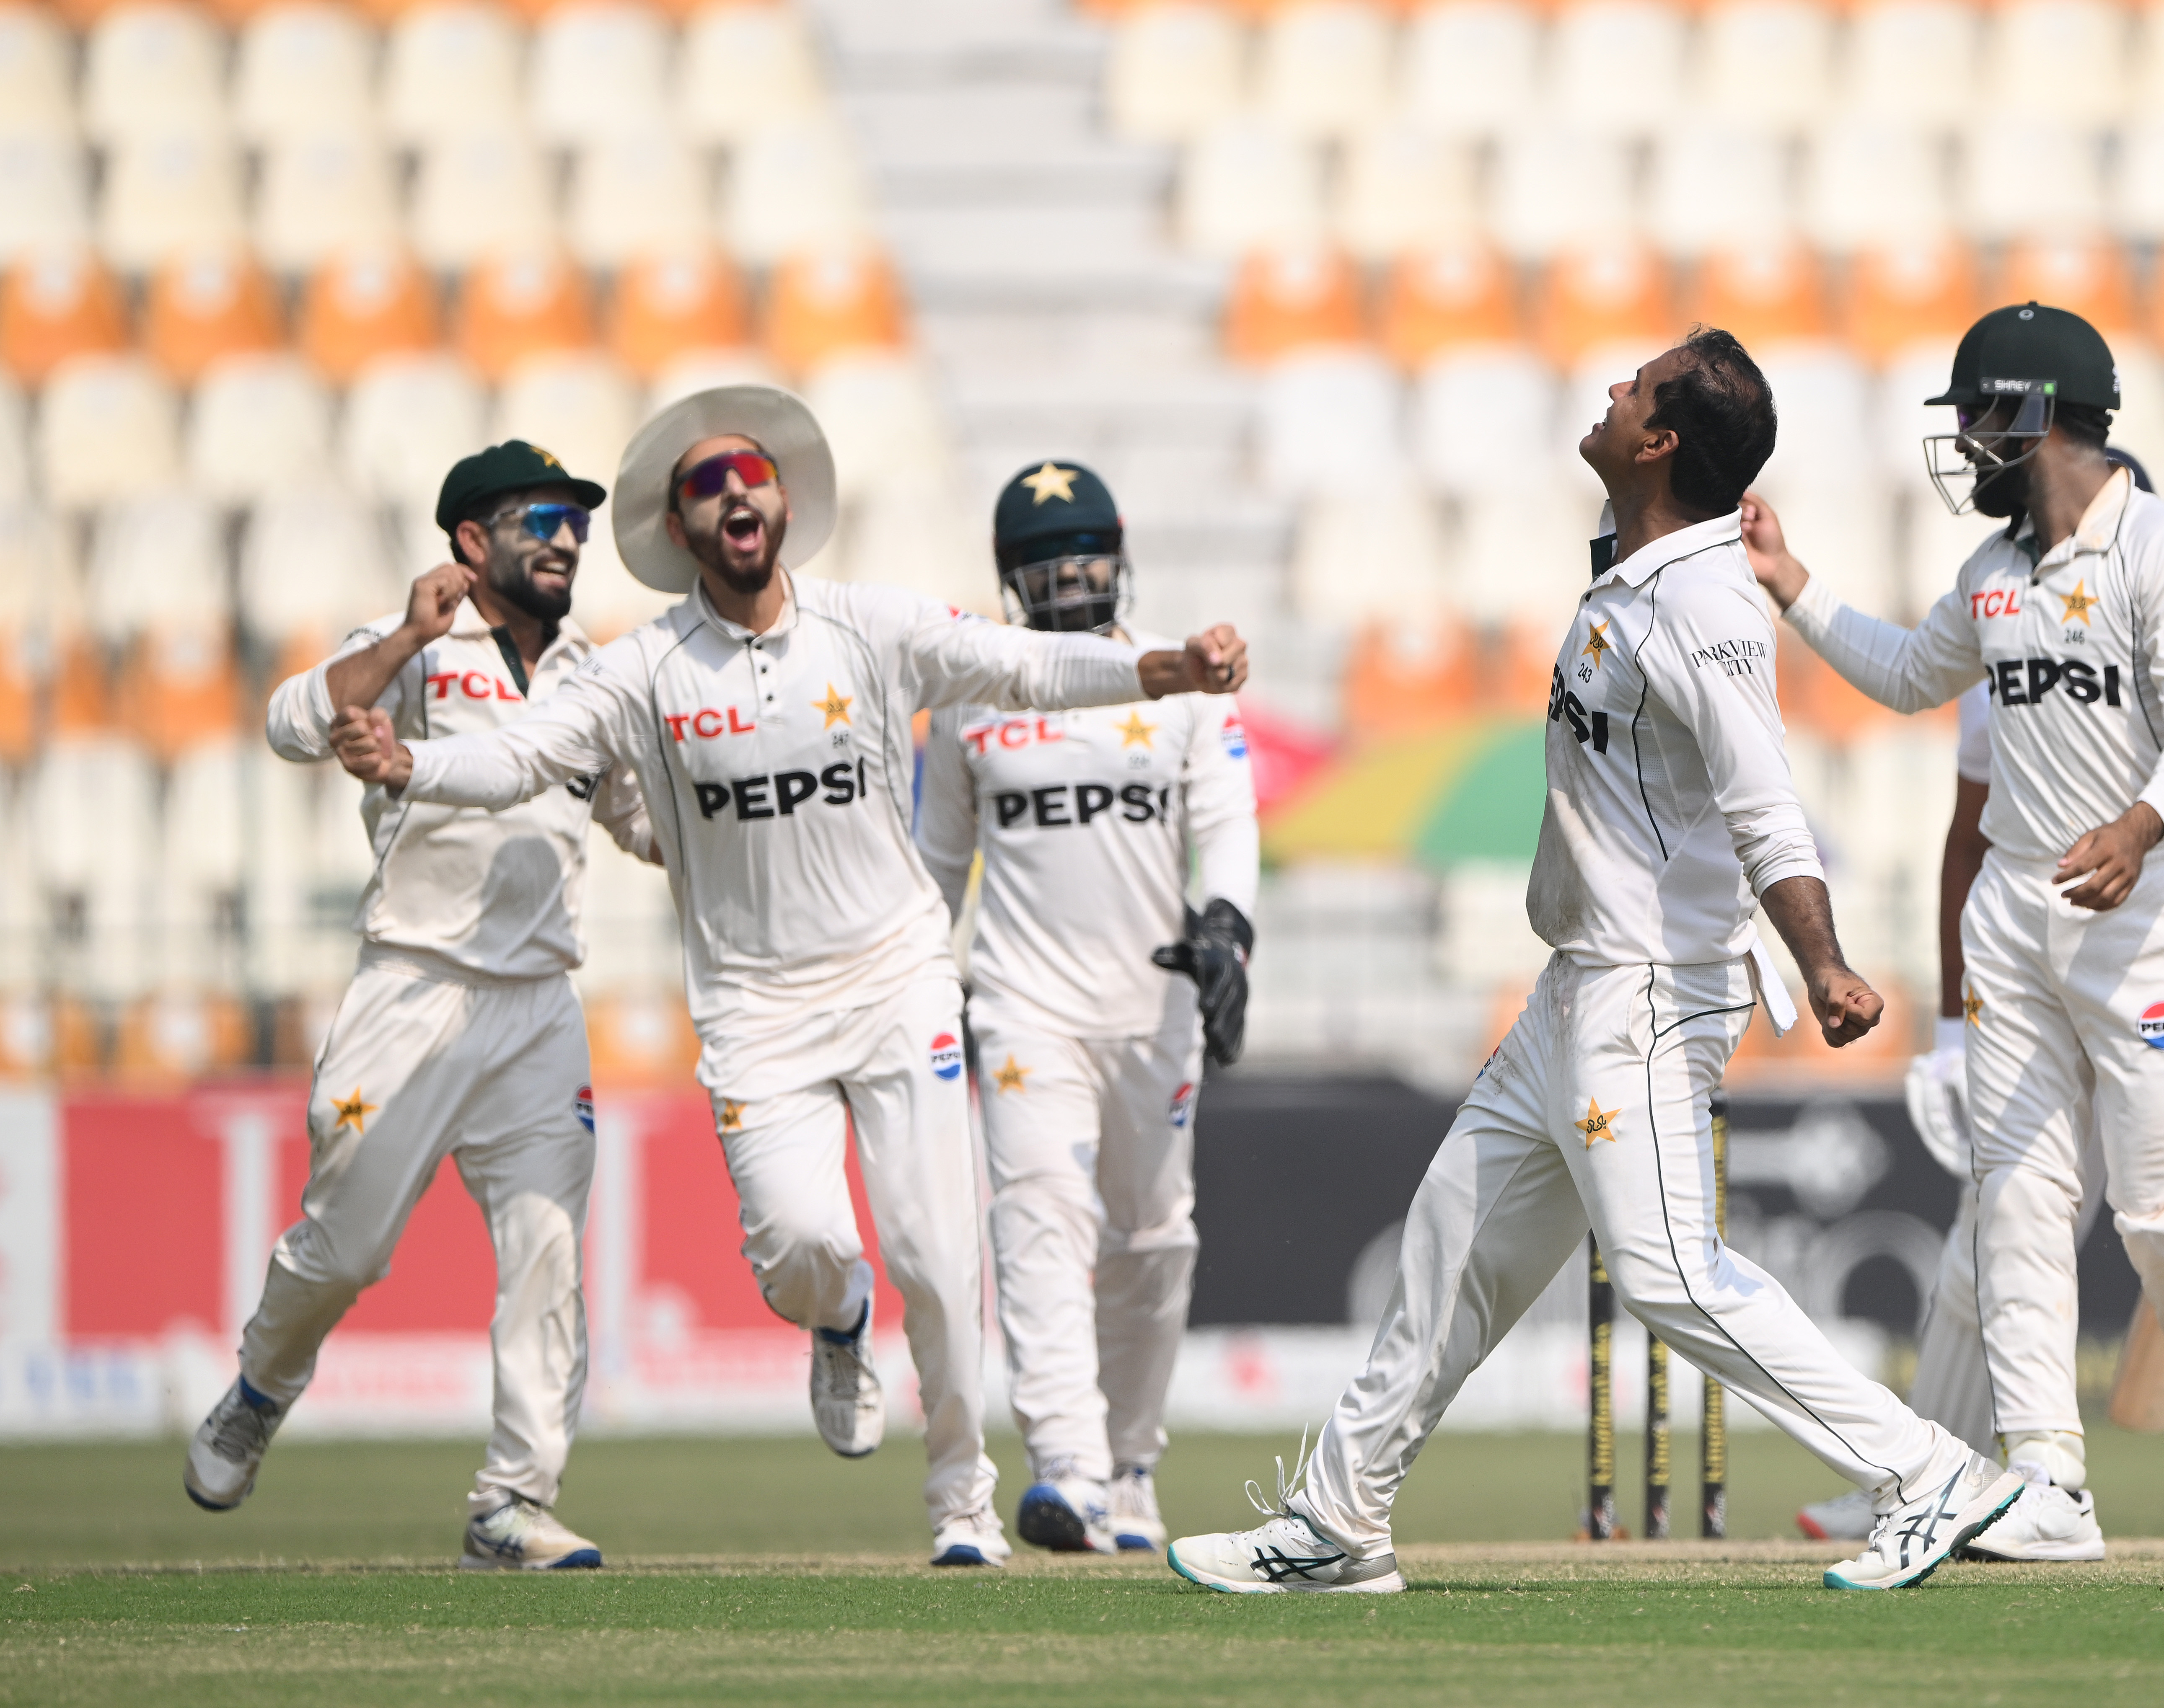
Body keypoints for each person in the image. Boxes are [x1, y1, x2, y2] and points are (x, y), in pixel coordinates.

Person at [1165, 330, 2026, 1597]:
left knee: (1675, 1273)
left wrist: (1826, 960)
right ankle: (1338, 1522)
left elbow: (1766, 803)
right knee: (1448, 1246)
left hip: (1648, 991)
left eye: (1635, 388)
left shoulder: (1709, 604)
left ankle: (1930, 1474)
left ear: (1662, 441)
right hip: (1577, 985)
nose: (1611, 391)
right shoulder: (1640, 575)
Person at [328, 387, 1249, 1568]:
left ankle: (963, 1498)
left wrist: (1166, 668)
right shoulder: (642, 670)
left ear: (783, 501)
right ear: (681, 532)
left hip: (897, 979)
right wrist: (410, 765)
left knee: (938, 1254)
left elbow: (1016, 667)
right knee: (799, 1248)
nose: (734, 497)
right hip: (755, 1009)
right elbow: (521, 757)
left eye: (748, 476)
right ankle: (838, 1319)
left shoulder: (868, 625)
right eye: (705, 488)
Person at [1739, 302, 2164, 1561]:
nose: (1970, 440)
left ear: (2040, 411)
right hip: (2013, 932)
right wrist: (1792, 585)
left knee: (2159, 1214)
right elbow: (1901, 673)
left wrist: (2147, 823)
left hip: (2142, 924)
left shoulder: (2163, 549)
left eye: (1982, 414)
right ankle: (2051, 1483)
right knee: (2018, 1209)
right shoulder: (1991, 579)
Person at [187, 440, 657, 1571]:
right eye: (541, 518)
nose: (566, 539)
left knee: (548, 1253)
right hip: (411, 985)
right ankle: (262, 1387)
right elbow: (292, 722)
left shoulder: (599, 672)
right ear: (470, 541)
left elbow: (641, 822)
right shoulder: (413, 649)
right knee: (346, 1250)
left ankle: (513, 1502)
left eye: (577, 523)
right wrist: (404, 637)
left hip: (541, 1002)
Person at [916, 460, 1260, 1556]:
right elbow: (938, 864)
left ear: (1120, 561)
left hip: (1152, 1007)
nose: (1072, 584)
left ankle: (1131, 1464)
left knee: (1157, 1240)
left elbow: (1231, 822)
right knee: (1041, 1224)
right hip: (1023, 1007)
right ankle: (1067, 1468)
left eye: (1087, 562)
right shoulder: (976, 695)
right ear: (1012, 584)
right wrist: (921, 986)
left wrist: (1228, 927)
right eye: (1046, 570)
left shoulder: (1181, 684)